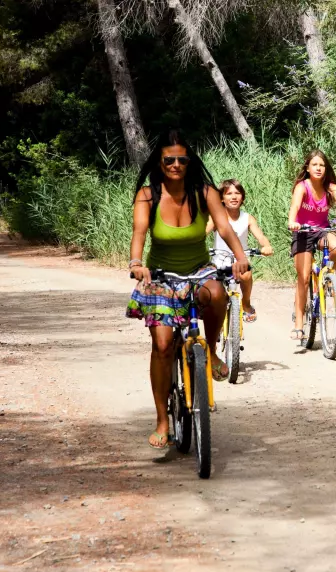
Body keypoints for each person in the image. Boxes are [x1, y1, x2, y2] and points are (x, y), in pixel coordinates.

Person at [126, 130, 249, 449]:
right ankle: (162, 421)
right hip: (160, 275)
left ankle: (210, 349)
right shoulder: (147, 196)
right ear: (159, 162)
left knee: (218, 293)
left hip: (198, 270)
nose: (176, 165)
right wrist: (136, 262)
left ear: (189, 162)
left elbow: (224, 227)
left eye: (182, 159)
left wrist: (240, 257)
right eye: (169, 159)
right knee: (163, 346)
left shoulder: (204, 192)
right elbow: (139, 232)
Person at [287, 150, 336, 341]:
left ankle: (329, 278)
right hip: (303, 232)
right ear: (307, 168)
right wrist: (292, 221)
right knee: (303, 278)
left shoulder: (331, 188)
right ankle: (299, 324)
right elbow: (295, 206)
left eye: (322, 165)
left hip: (322, 230)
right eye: (314, 164)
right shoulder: (302, 187)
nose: (318, 168)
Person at [205, 179, 274, 322]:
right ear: (222, 198)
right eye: (229, 193)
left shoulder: (248, 218)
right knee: (214, 293)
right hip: (219, 260)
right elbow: (202, 234)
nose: (234, 197)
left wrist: (266, 246)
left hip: (240, 259)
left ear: (242, 197)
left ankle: (246, 303)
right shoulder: (216, 218)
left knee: (246, 274)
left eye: (237, 193)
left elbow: (261, 236)